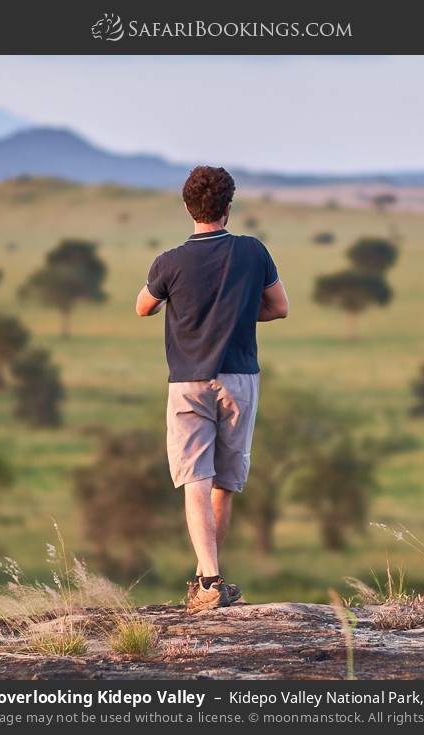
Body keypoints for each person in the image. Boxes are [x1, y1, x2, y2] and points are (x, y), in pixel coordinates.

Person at [135, 165, 289, 612]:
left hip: (187, 381)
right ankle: (211, 581)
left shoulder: (169, 260)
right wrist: (238, 315)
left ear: (188, 207)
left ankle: (209, 580)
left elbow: (143, 307)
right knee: (223, 482)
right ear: (227, 207)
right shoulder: (253, 251)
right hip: (240, 377)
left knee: (195, 482)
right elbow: (279, 307)